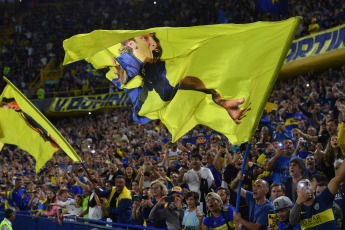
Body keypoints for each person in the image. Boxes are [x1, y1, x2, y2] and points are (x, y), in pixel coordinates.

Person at [111, 33, 250, 125]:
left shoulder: (157, 64)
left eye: (155, 39)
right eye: (145, 38)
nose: (154, 43)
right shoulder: (127, 58)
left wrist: (218, 97)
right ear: (130, 44)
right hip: (142, 112)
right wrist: (122, 74)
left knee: (176, 80)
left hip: (161, 103)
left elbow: (182, 81)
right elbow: (127, 73)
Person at [289, 155, 345, 229]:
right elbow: (292, 221)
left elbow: (337, 178)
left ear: (313, 188)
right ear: (297, 192)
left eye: (307, 185)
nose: (305, 188)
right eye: (301, 186)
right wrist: (298, 202)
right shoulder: (298, 209)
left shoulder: (324, 198)